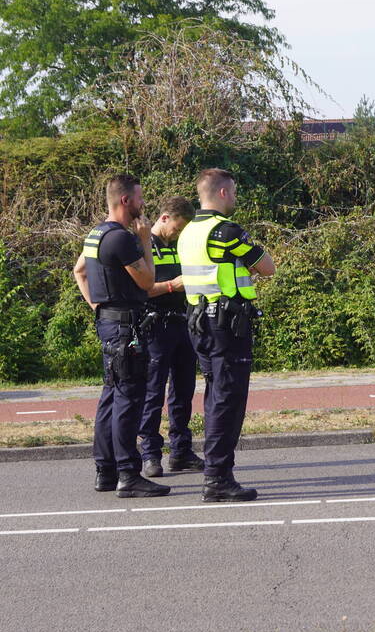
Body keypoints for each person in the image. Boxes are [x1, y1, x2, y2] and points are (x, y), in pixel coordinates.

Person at [178, 169, 275, 501]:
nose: (234, 198)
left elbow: (212, 268)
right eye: (232, 192)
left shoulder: (188, 231)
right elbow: (267, 267)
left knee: (214, 396)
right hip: (226, 325)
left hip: (199, 323)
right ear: (221, 193)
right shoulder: (226, 231)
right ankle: (217, 477)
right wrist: (242, 264)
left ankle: (215, 472)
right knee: (228, 401)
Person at [72, 174, 170, 497]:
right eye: (140, 199)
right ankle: (129, 474)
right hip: (126, 328)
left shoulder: (95, 234)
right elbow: (147, 281)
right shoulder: (123, 239)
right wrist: (144, 240)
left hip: (108, 325)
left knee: (110, 395)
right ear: (126, 201)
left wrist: (97, 308)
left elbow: (80, 272)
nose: (143, 205)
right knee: (129, 398)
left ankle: (105, 471)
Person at [137, 195, 205, 478]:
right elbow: (137, 289)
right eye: (177, 228)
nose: (178, 234)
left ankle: (181, 451)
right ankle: (150, 454)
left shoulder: (180, 245)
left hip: (184, 323)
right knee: (153, 393)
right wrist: (169, 286)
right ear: (164, 218)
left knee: (183, 391)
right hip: (154, 324)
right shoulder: (142, 245)